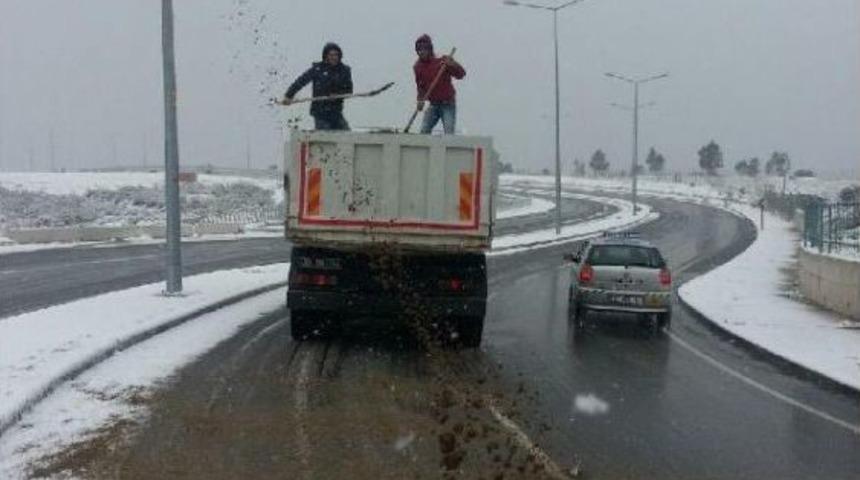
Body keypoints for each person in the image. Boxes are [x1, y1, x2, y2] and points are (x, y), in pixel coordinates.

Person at [283, 42, 353, 130]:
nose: (334, 57)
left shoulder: (344, 70)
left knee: (346, 136)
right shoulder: (317, 69)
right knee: (325, 138)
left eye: (336, 55)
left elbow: (349, 91)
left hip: (336, 112)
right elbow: (301, 81)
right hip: (320, 112)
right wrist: (289, 96)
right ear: (325, 56)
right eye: (331, 55)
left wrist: (337, 95)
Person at [413, 34, 466, 134]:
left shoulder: (442, 62)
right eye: (419, 50)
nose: (421, 52)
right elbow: (420, 87)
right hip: (433, 105)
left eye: (424, 49)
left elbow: (461, 74)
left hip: (448, 104)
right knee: (424, 132)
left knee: (448, 133)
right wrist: (420, 100)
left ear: (429, 49)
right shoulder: (418, 67)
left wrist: (453, 64)